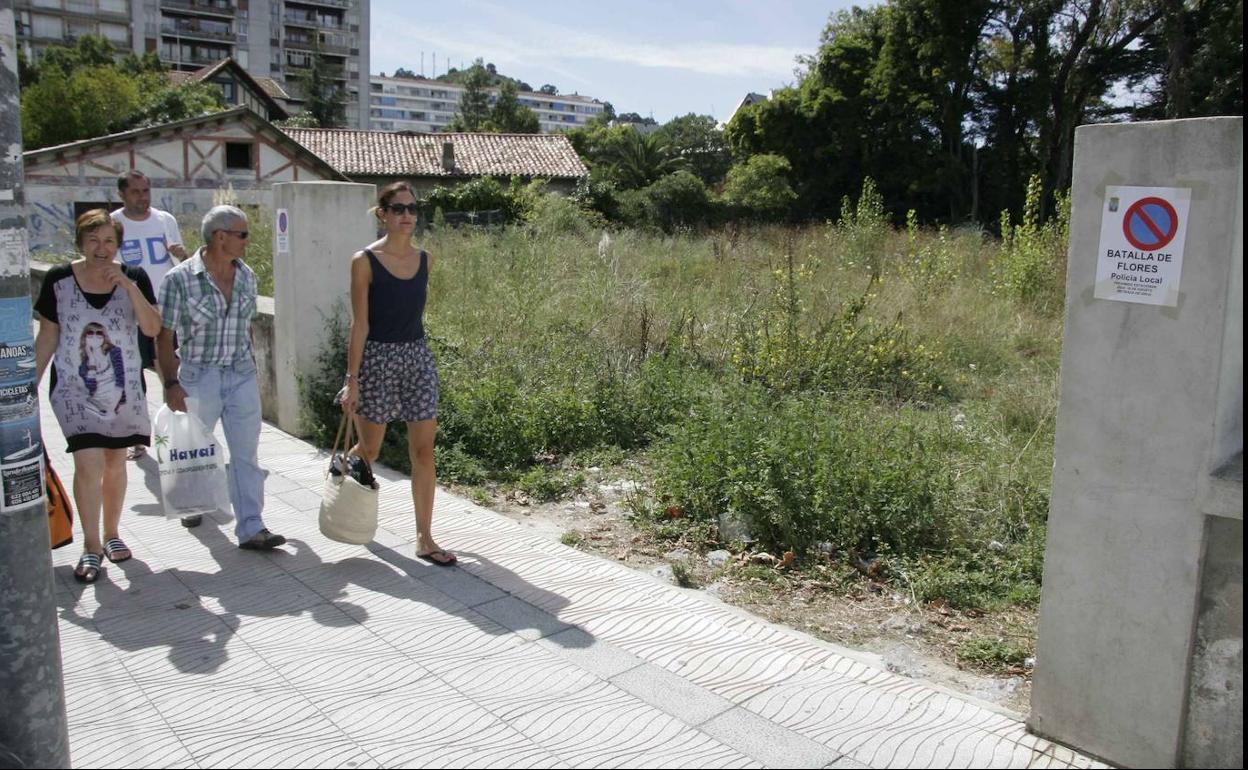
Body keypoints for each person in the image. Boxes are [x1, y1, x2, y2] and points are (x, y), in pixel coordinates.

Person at [34, 209, 163, 583]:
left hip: (123, 392)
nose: (101, 248)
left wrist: (128, 286)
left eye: (108, 241)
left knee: (114, 462)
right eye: (93, 240)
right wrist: (30, 386)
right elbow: (48, 337)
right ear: (81, 242)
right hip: (74, 391)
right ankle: (91, 547)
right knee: (87, 462)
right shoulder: (59, 280)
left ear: (118, 245)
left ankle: (112, 534)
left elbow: (152, 326)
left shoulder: (133, 278)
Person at [156, 205, 286, 550]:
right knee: (195, 451)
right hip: (199, 376)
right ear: (220, 237)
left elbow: (246, 327)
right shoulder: (178, 280)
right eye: (243, 234)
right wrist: (170, 382)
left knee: (246, 455)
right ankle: (191, 501)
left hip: (241, 374)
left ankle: (252, 527)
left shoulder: (247, 275)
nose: (248, 240)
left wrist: (252, 371)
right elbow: (164, 337)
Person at [338, 182, 454, 565]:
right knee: (368, 449)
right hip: (378, 360)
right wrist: (352, 381)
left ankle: (425, 538)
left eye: (412, 209)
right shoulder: (364, 261)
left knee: (423, 450)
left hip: (417, 358)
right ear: (383, 213)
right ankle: (344, 479)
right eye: (399, 208)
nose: (408, 215)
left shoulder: (426, 260)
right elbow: (360, 325)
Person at [111, 170, 187, 460]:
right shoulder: (113, 223)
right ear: (122, 194)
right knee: (131, 374)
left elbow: (182, 261)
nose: (143, 197)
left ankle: (178, 432)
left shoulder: (165, 220)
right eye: (136, 192)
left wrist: (181, 252)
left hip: (166, 309)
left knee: (170, 370)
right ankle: (138, 437)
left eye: (146, 191)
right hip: (129, 311)